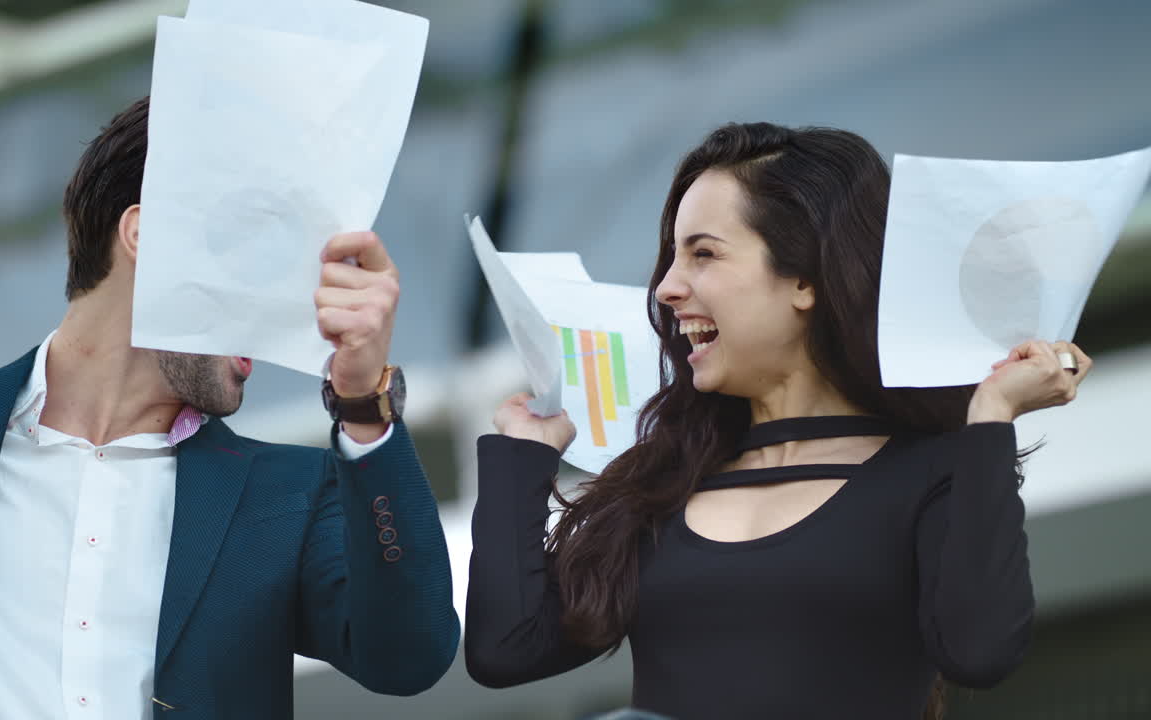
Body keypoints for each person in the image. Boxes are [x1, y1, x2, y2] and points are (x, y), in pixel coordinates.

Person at [464, 122, 1091, 720]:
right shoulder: (658, 481)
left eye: (703, 254)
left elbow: (980, 652)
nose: (666, 288)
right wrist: (524, 455)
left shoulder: (932, 468)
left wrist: (990, 417)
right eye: (673, 258)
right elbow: (506, 649)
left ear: (805, 279)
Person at [0, 96, 460, 719]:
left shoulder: (291, 494)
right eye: (263, 263)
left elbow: (409, 655)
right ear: (147, 235)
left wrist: (365, 404)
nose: (292, 310)